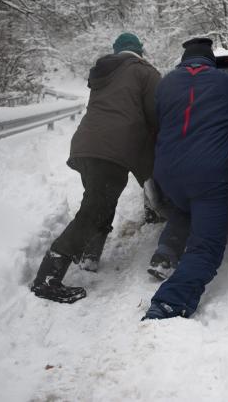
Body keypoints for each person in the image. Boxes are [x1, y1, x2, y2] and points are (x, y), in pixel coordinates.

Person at [30, 32, 160, 303]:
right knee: (93, 210)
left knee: (101, 202)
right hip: (112, 149)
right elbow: (156, 115)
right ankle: (47, 278)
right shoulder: (144, 72)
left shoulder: (104, 72)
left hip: (86, 145)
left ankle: (90, 255)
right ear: (139, 50)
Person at [142, 37, 228, 320]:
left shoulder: (165, 83)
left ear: (184, 59)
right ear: (211, 60)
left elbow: (159, 119)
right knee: (207, 245)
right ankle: (170, 303)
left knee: (186, 205)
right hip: (208, 172)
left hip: (168, 171)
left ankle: (166, 251)